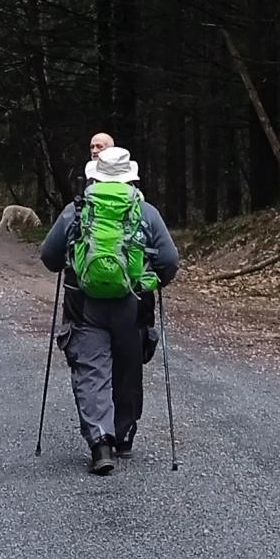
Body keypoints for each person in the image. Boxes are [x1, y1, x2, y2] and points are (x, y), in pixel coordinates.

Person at [40, 145, 178, 475]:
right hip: (133, 303)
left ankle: (100, 442)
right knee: (128, 368)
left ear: (95, 175)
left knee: (91, 370)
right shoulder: (145, 211)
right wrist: (153, 281)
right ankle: (125, 436)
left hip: (84, 303)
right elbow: (170, 261)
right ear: (131, 177)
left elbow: (49, 256)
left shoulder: (78, 209)